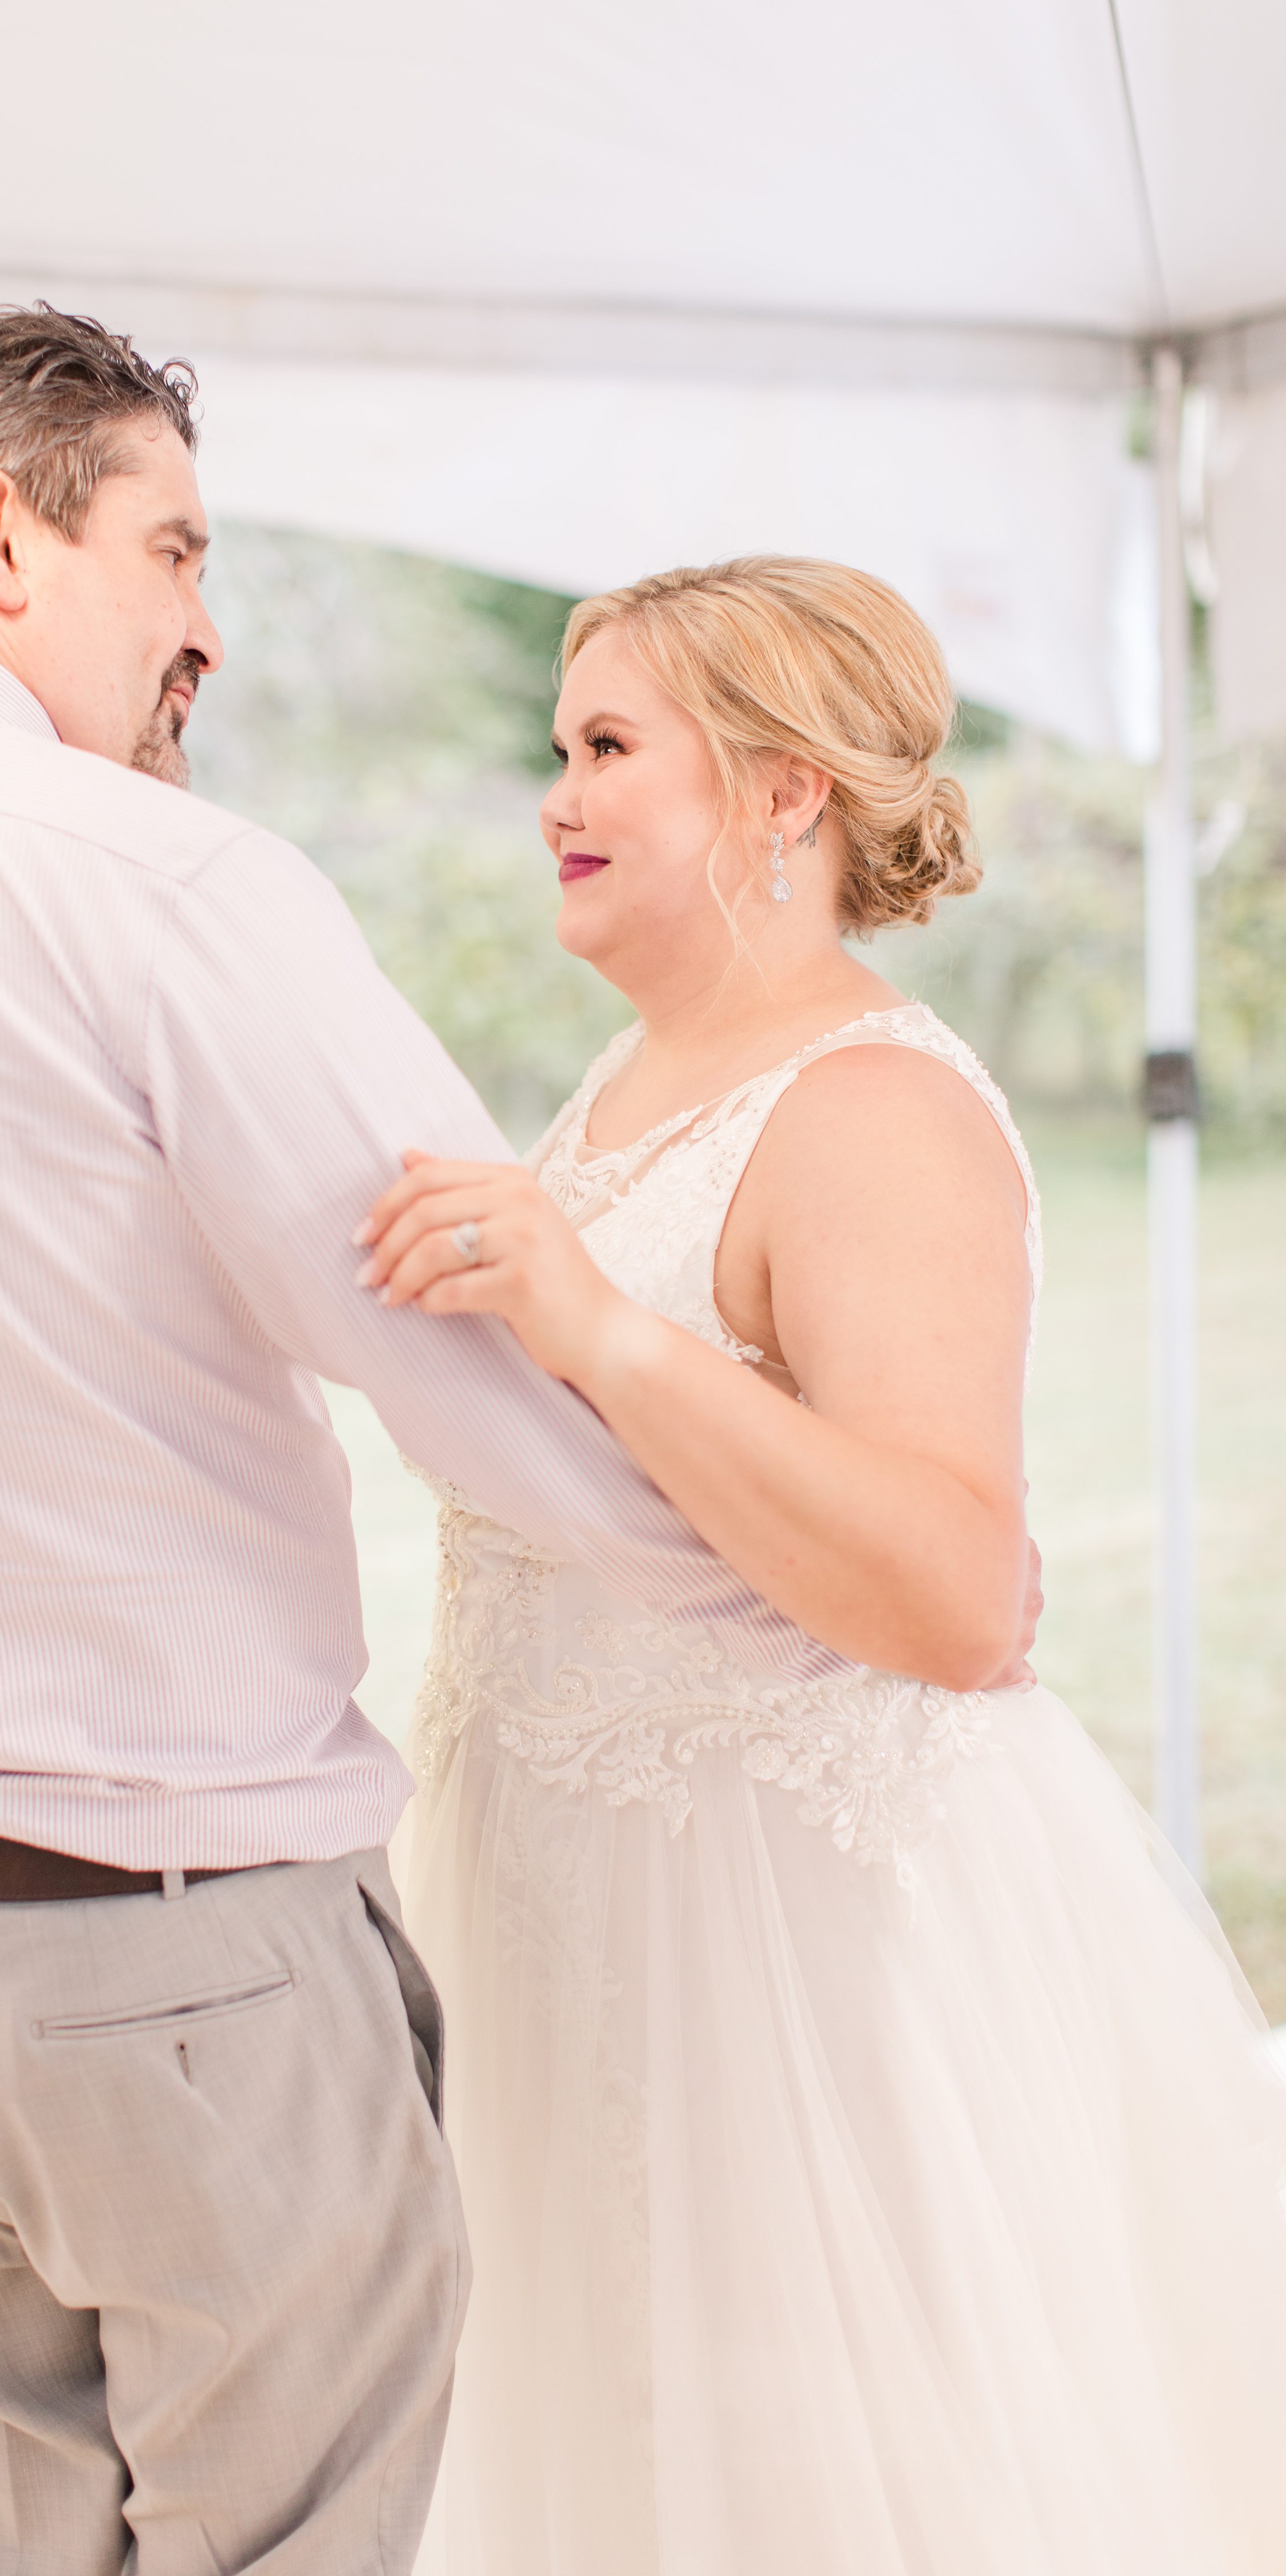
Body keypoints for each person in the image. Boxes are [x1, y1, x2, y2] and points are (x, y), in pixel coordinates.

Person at [0, 313, 874, 2576]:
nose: (208, 623)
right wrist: (821, 1590)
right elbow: (489, 1376)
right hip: (164, 1960)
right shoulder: (159, 881)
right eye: (171, 546)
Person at [359, 558, 1286, 2576]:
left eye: (608, 747)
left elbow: (960, 1592)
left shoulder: (872, 1108)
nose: (555, 796)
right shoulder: (623, 1086)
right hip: (562, 1918)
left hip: (784, 1960)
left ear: (785, 797)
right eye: (558, 748)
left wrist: (599, 1328)